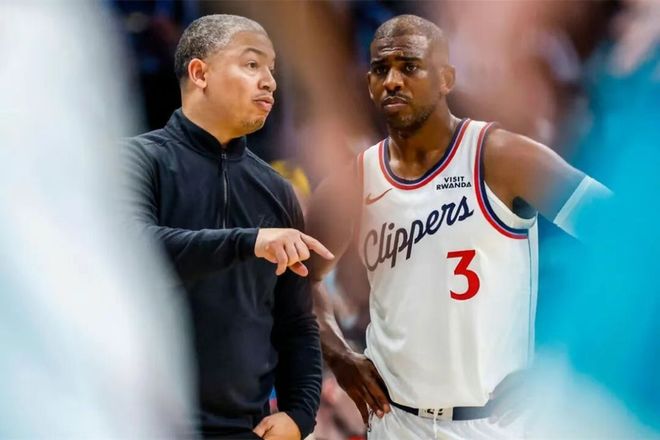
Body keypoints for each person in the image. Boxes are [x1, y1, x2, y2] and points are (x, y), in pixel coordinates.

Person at [306, 14, 611, 439]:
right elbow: (298, 278)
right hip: (396, 422)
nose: (392, 81)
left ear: (446, 78)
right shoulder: (350, 183)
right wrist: (337, 353)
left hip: (495, 424)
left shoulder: (502, 158)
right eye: (380, 69)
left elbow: (631, 239)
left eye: (409, 66)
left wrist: (559, 357)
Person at [122, 14, 333, 440]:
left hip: (247, 428)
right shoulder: (138, 161)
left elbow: (296, 323)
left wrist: (300, 414)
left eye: (272, 68)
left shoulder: (277, 191)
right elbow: (135, 253)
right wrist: (249, 241)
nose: (270, 81)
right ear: (200, 73)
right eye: (252, 64)